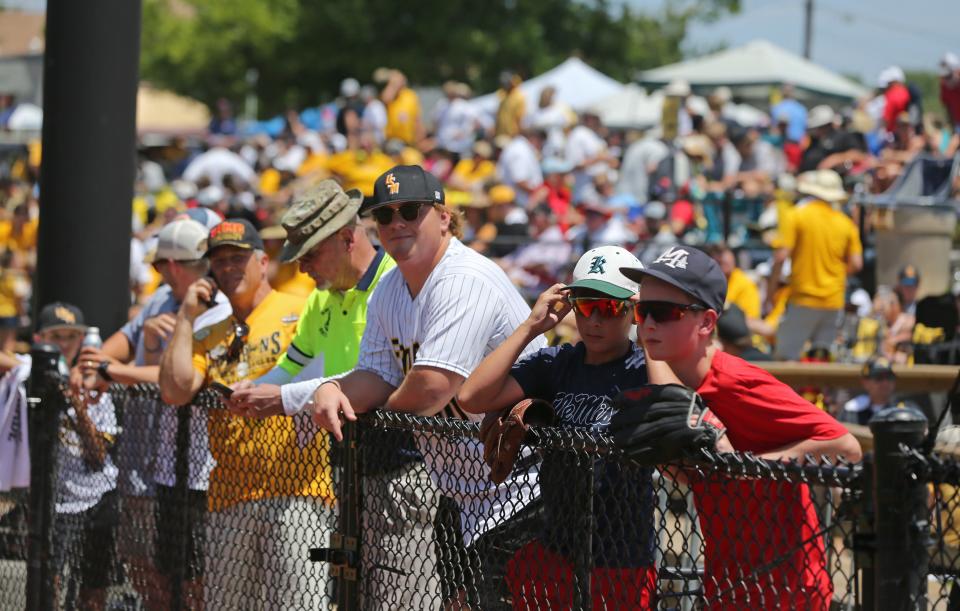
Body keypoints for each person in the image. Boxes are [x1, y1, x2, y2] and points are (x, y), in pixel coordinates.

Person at [294, 165, 546, 609]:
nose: (396, 224)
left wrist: (375, 413)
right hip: (458, 492)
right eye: (384, 216)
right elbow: (374, 374)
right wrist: (333, 389)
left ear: (444, 217)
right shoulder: (389, 289)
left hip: (523, 491)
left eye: (410, 210)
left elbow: (431, 389)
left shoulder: (463, 278)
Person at [617, 246, 862, 609]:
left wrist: (751, 467)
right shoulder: (675, 383)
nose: (648, 324)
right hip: (728, 581)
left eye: (665, 312)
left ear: (706, 322)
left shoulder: (737, 380)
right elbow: (706, 478)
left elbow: (846, 445)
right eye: (642, 310)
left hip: (789, 590)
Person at [459, 246, 658, 608]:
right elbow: (472, 397)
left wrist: (649, 325)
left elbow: (669, 395)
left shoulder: (643, 367)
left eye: (610, 307)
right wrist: (531, 326)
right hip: (557, 545)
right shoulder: (557, 363)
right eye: (585, 304)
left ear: (633, 311)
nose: (595, 319)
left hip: (622, 552)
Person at [157, 218, 330, 608]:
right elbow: (175, 390)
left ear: (262, 262)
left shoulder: (301, 310)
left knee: (298, 604)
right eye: (219, 262)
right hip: (229, 495)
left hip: (297, 491)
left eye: (238, 258)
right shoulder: (208, 330)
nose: (229, 268)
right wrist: (185, 317)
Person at [75, 218, 231, 609]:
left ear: (171, 265)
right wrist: (91, 364)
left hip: (199, 465)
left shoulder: (213, 302)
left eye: (162, 265)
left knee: (197, 579)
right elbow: (120, 344)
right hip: (157, 462)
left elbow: (178, 381)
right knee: (154, 566)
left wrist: (111, 373)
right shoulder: (162, 298)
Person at [36, 303, 120, 611]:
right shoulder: (31, 378)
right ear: (39, 338)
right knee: (49, 576)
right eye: (55, 336)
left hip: (97, 496)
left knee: (93, 582)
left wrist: (76, 403)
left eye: (71, 337)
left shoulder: (95, 382)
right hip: (56, 499)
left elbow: (98, 455)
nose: (63, 344)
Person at [771, 170, 863, 360]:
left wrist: (772, 289)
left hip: (803, 298)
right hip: (834, 301)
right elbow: (856, 263)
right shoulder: (846, 223)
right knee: (821, 362)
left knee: (785, 361)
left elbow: (781, 257)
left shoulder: (797, 215)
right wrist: (835, 276)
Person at [839, 357, 911, 425]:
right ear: (865, 382)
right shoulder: (851, 409)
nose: (885, 383)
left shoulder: (905, 409)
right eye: (879, 378)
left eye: (889, 377)